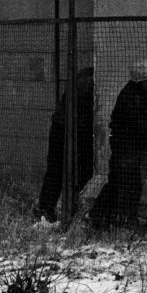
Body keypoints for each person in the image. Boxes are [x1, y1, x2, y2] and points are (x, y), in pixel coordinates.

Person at [89, 60, 147, 230]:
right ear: (146, 81)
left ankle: (99, 215)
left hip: (125, 146)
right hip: (126, 148)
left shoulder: (135, 91)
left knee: (118, 182)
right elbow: (144, 125)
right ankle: (124, 221)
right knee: (129, 184)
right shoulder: (132, 99)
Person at [33, 67, 96, 224]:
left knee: (55, 170)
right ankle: (68, 208)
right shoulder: (93, 80)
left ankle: (46, 208)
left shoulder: (83, 75)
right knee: (84, 169)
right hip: (75, 128)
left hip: (60, 125)